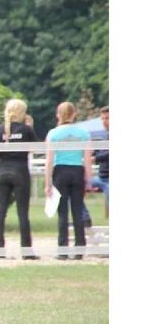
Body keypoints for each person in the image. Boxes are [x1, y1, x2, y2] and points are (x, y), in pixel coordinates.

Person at [0, 98, 38, 259]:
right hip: (20, 171)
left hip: (2, 172)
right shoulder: (26, 130)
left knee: (1, 212)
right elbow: (34, 150)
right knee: (23, 213)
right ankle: (26, 251)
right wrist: (30, 129)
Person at [44, 101, 93, 260]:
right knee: (77, 211)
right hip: (77, 170)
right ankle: (79, 249)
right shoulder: (84, 134)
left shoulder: (53, 133)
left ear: (58, 115)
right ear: (74, 114)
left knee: (62, 212)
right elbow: (87, 159)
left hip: (60, 171)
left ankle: (63, 249)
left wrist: (47, 183)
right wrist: (88, 180)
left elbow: (49, 160)